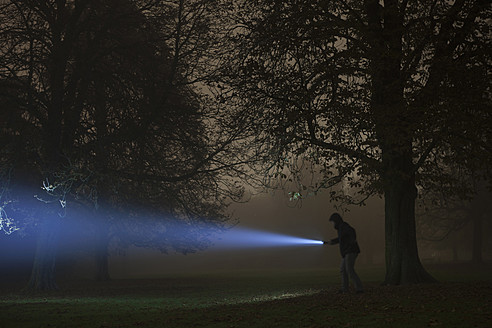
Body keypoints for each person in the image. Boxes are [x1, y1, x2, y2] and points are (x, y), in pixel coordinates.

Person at [324, 212, 363, 294]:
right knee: (343, 270)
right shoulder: (341, 228)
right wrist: (330, 242)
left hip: (351, 251)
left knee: (349, 270)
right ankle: (344, 289)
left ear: (336, 221)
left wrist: (352, 241)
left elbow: (352, 231)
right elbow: (341, 239)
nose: (333, 224)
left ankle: (359, 289)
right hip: (346, 252)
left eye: (333, 222)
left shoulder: (344, 226)